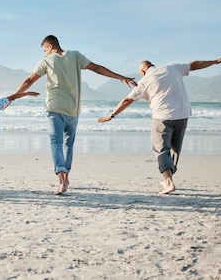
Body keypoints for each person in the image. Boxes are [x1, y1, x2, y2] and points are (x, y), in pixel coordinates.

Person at [13, 35, 137, 195]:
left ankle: (61, 180)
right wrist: (121, 77)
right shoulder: (76, 55)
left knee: (55, 143)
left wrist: (13, 97)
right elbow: (97, 68)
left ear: (50, 46)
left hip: (54, 107)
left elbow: (29, 80)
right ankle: (67, 177)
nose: (44, 54)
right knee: (68, 144)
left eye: (45, 50)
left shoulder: (46, 61)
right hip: (73, 109)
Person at [98, 56, 221, 194]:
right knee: (174, 149)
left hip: (162, 117)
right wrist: (214, 62)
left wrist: (111, 115)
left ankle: (168, 183)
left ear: (142, 72)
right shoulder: (172, 68)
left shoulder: (144, 81)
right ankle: (168, 178)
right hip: (183, 114)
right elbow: (195, 64)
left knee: (160, 149)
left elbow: (127, 100)